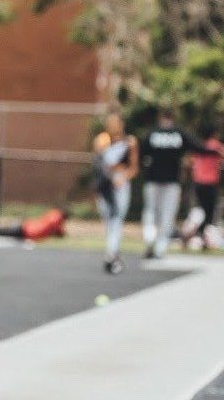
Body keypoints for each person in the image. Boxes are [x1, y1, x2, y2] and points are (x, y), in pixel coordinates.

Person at [140, 109, 221, 259]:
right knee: (167, 214)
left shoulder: (152, 133)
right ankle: (160, 247)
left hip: (152, 180)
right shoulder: (178, 133)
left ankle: (150, 239)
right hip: (171, 181)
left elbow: (140, 153)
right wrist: (216, 152)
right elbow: (199, 147)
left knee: (151, 211)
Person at [92, 113, 139, 275]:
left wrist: (123, 178)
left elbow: (134, 168)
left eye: (115, 123)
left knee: (117, 218)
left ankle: (112, 253)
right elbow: (99, 164)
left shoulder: (129, 142)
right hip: (105, 183)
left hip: (120, 182)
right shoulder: (102, 140)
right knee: (107, 218)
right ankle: (112, 251)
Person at [190, 125, 223, 245]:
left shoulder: (199, 145)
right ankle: (199, 234)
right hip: (210, 183)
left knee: (204, 210)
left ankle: (200, 235)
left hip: (198, 182)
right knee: (210, 212)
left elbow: (192, 163)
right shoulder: (216, 145)